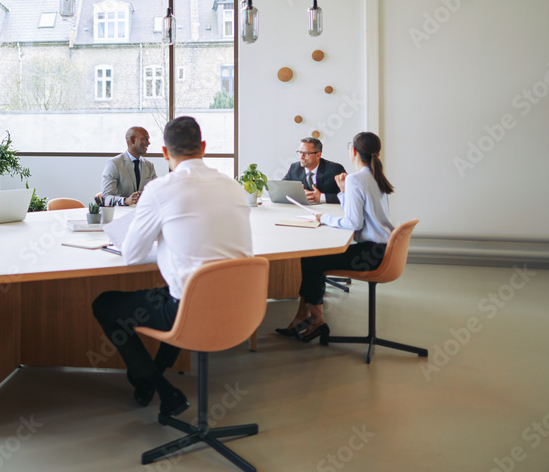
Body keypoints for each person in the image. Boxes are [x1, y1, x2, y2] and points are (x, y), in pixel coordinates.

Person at [92, 117, 253, 416]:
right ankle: (154, 374)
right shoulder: (233, 187)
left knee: (105, 304)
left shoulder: (160, 190)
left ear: (165, 153)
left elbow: (132, 255)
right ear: (203, 147)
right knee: (175, 288)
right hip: (242, 308)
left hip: (190, 310)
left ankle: (155, 383)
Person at [277, 132, 395, 343]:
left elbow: (353, 223)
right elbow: (361, 212)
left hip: (371, 253)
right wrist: (342, 193)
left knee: (313, 260)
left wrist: (324, 218)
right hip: (383, 248)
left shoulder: (356, 179)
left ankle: (316, 321)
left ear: (353, 152)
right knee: (313, 258)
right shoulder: (375, 177)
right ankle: (305, 317)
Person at [98, 126, 157, 207]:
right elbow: (106, 198)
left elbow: (156, 191)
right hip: (121, 214)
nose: (148, 143)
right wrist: (125, 201)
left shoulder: (149, 165)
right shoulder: (114, 164)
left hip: (144, 213)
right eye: (145, 139)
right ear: (132, 140)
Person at [283, 136, 347, 204]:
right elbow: (282, 190)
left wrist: (321, 197)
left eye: (306, 153)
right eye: (300, 152)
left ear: (318, 155)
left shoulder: (335, 169)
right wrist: (297, 195)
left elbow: (349, 195)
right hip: (301, 210)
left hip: (327, 211)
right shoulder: (294, 168)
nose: (301, 157)